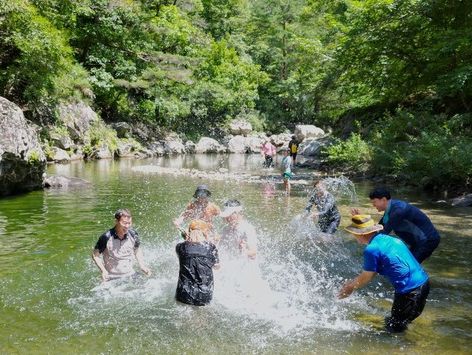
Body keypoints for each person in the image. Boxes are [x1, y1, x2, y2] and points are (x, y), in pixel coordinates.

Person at [338, 215, 430, 333]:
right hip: (423, 283)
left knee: (394, 330)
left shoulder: (372, 249)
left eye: (354, 232)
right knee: (399, 322)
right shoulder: (390, 239)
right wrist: (351, 283)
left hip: (410, 291)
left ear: (362, 234)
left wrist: (350, 287)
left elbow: (368, 276)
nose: (353, 235)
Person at [352, 187, 440, 263]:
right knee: (407, 265)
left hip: (427, 241)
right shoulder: (391, 209)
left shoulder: (398, 211)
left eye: (374, 202)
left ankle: (423, 282)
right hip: (418, 242)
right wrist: (361, 219)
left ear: (383, 199)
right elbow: (378, 229)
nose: (373, 205)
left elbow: (382, 234)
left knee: (409, 268)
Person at [92, 209, 151, 282]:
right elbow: (95, 255)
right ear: (116, 222)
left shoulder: (133, 234)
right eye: (124, 223)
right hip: (111, 277)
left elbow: (137, 250)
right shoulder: (106, 237)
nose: (127, 226)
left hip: (130, 274)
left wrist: (142, 266)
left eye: (129, 223)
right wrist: (103, 271)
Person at [175, 220, 220, 306]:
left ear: (189, 232)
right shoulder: (210, 247)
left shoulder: (180, 247)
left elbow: (188, 244)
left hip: (183, 294)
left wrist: (180, 228)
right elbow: (217, 267)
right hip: (204, 295)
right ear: (205, 232)